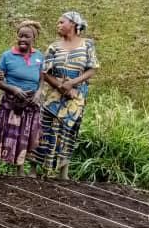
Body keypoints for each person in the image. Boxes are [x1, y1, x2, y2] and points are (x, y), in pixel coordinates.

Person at [29, 11, 99, 180]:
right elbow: (45, 72)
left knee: (68, 131)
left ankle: (63, 173)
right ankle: (34, 169)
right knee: (44, 129)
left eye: (61, 22)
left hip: (75, 96)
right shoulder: (54, 47)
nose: (58, 25)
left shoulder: (87, 45)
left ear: (73, 24)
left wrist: (72, 84)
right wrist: (60, 86)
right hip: (54, 94)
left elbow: (92, 69)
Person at [0, 21, 44, 178]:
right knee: (1, 134)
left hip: (30, 104)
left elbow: (41, 79)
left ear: (34, 38)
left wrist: (38, 94)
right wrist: (13, 89)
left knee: (24, 136)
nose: (22, 39)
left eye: (27, 36)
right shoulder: (7, 56)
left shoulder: (39, 56)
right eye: (20, 36)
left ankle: (19, 169)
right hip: (11, 104)